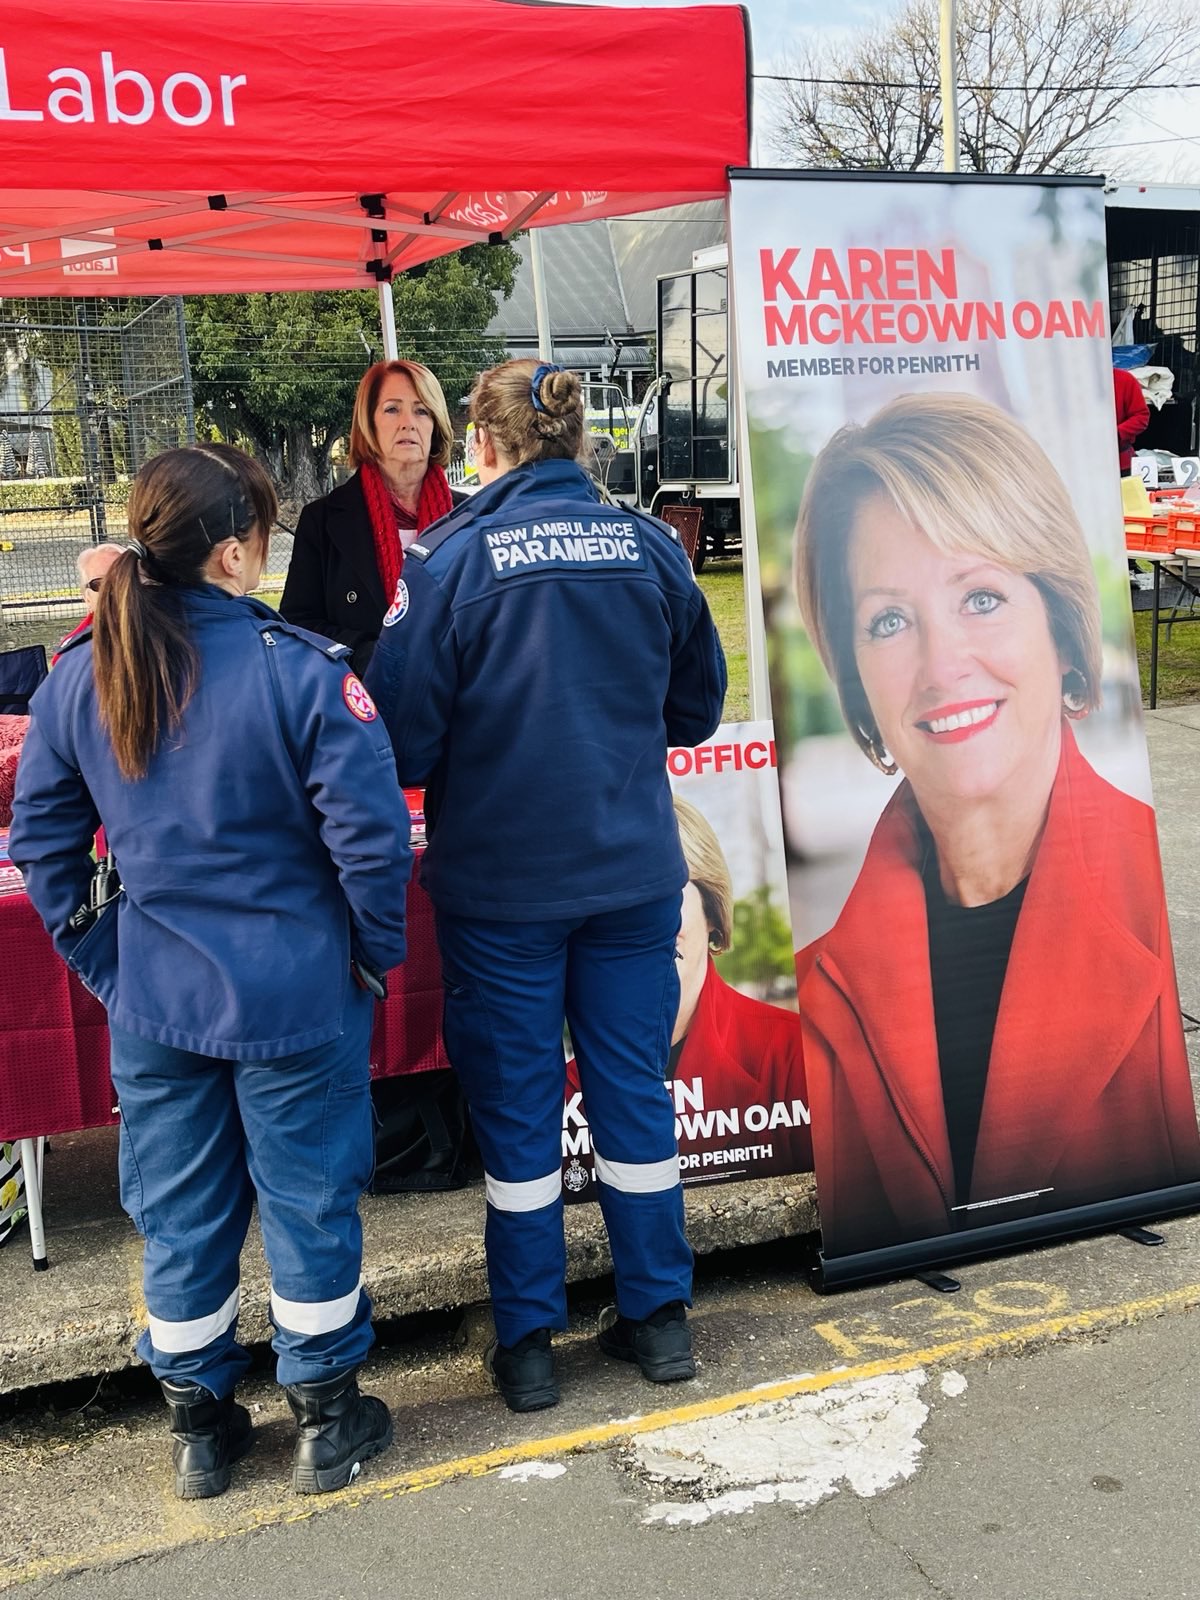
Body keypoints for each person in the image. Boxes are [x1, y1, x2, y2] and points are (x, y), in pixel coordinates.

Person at [10, 445, 413, 1500]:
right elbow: (373, 846)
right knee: (309, 1200)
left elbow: (44, 850)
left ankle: (200, 1425)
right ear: (235, 552)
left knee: (181, 1215)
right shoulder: (301, 668)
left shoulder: (84, 676)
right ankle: (327, 1415)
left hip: (158, 1001)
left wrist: (106, 960)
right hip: (295, 993)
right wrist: (368, 957)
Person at [365, 359, 727, 1412]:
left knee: (522, 1119)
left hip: (505, 890)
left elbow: (398, 736)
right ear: (573, 440)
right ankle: (660, 1323)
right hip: (629, 878)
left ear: (482, 445)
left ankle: (528, 1348)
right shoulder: (650, 548)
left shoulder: (447, 558)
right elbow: (696, 709)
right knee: (632, 1101)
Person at [792, 392, 1200, 1259]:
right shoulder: (824, 978)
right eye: (889, 621)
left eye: (981, 597)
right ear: (855, 675)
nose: (942, 667)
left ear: (1057, 620)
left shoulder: (1142, 896)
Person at [565, 795, 810, 1182]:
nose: (641, 923)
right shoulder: (562, 1091)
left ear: (712, 911)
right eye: (618, 901)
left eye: (663, 893)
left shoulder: (793, 1054)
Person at [280, 359, 464, 674]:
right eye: (392, 409)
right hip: (365, 704)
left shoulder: (469, 516)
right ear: (369, 423)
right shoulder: (322, 521)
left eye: (422, 410)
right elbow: (298, 624)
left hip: (460, 705)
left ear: (436, 425)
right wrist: (372, 655)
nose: (408, 422)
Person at [52, 543, 125, 663]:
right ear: (87, 599)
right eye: (99, 584)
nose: (111, 590)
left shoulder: (160, 631)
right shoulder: (71, 655)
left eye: (121, 579)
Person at [1114, 366, 1150, 477]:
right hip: (1075, 462)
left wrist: (1117, 433)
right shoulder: (1069, 382)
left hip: (1120, 463)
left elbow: (1141, 416)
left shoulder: (1124, 379)